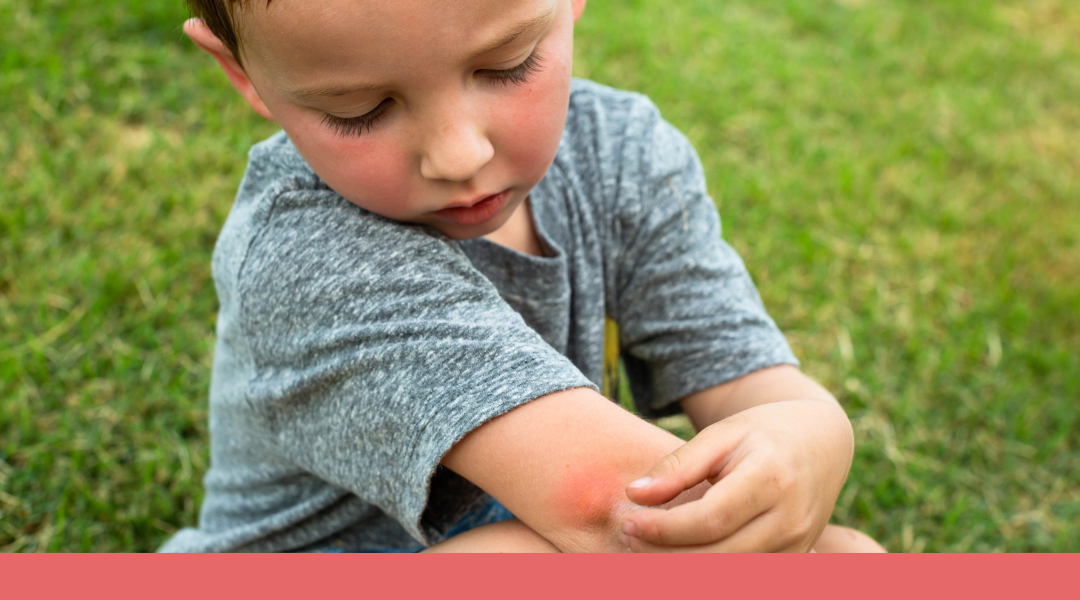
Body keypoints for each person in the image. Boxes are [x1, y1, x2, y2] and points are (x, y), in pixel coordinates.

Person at [160, 0, 885, 553]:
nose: (458, 154)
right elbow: (613, 514)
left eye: (506, 64)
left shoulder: (623, 157)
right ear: (242, 72)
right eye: (361, 109)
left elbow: (749, 380)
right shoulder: (308, 257)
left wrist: (813, 431)